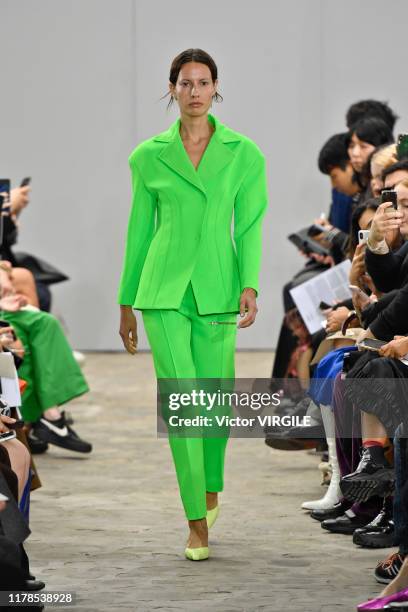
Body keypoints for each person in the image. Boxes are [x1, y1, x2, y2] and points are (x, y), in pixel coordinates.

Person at [117, 48, 268, 561]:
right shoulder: (148, 156)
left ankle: (209, 484)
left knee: (215, 402)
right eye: (186, 83)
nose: (195, 91)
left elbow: (248, 226)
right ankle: (195, 521)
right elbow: (139, 231)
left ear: (216, 88)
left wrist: (250, 284)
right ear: (172, 89)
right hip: (161, 292)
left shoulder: (244, 153)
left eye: (204, 82)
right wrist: (125, 302)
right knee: (183, 402)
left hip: (218, 289)